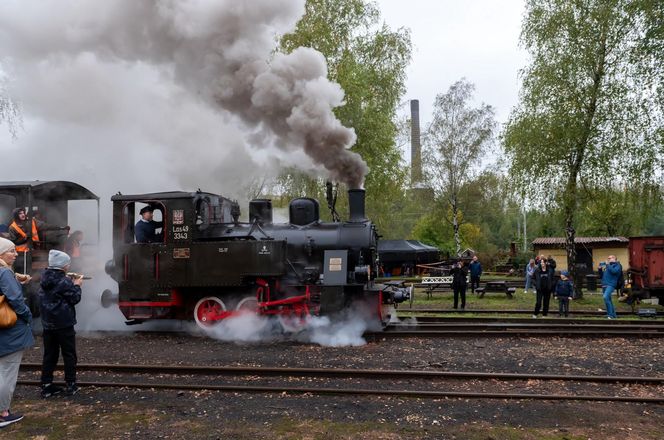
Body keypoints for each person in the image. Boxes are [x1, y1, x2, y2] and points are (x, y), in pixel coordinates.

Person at [39, 250, 83, 397]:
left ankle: (46, 385)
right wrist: (77, 285)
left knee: (49, 354)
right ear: (64, 266)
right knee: (69, 354)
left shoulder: (44, 277)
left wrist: (68, 280)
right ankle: (71, 385)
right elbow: (75, 298)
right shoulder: (64, 281)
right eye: (68, 264)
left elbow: (56, 289)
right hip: (64, 324)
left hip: (47, 323)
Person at [0, 237, 34, 428]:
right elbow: (15, 299)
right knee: (7, 373)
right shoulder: (4, 272)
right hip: (9, 330)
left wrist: (14, 279)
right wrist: (28, 316)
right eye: (11, 251)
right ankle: (3, 413)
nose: (15, 253)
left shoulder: (5, 272)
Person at [7, 208, 69, 274]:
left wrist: (60, 228)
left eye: (23, 213)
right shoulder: (12, 227)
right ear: (16, 215)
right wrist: (25, 238)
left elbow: (45, 226)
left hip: (34, 251)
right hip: (20, 254)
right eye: (20, 213)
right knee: (21, 272)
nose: (23, 215)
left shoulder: (32, 221)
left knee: (35, 272)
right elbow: (13, 241)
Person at [600, 255, 621, 319]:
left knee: (605, 297)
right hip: (604, 284)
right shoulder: (607, 266)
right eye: (608, 258)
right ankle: (613, 315)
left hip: (611, 284)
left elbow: (614, 271)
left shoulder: (618, 265)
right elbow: (601, 275)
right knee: (608, 300)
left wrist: (607, 265)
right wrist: (600, 269)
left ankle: (610, 315)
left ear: (615, 259)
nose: (608, 259)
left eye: (610, 258)